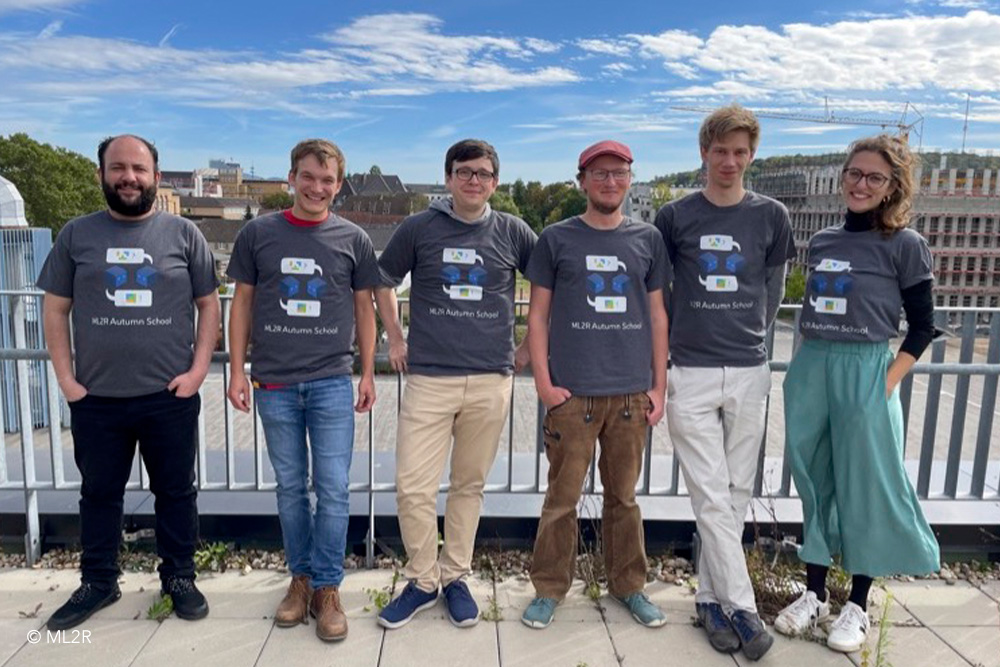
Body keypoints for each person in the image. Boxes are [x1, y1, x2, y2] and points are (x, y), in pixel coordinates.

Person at [39, 134, 220, 630]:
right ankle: (98, 582)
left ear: (156, 177)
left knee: (177, 493)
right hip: (96, 398)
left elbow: (209, 305)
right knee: (99, 494)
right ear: (102, 174)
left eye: (138, 169)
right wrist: (67, 380)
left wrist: (199, 370)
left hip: (169, 395)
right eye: (117, 168)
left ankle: (179, 577)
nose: (128, 178)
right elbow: (54, 309)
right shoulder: (76, 235)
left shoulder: (184, 234)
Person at [774, 134, 940, 653]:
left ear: (893, 187)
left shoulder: (905, 245)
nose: (860, 184)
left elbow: (922, 328)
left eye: (874, 177)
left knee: (865, 484)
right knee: (814, 477)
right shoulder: (822, 240)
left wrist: (885, 384)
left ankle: (858, 605)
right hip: (815, 364)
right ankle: (815, 593)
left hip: (867, 369)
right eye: (854, 174)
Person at [374, 139, 536, 628]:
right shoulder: (419, 227)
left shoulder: (513, 231)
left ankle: (456, 576)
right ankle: (423, 580)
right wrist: (395, 338)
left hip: (490, 379)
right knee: (413, 488)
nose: (473, 181)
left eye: (483, 174)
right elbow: (382, 280)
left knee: (469, 485)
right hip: (429, 378)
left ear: (495, 182)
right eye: (464, 172)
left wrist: (527, 348)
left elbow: (550, 284)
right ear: (448, 179)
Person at [654, 104, 794, 661]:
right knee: (711, 492)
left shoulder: (772, 215)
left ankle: (711, 600)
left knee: (735, 492)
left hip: (748, 369)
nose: (730, 161)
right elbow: (659, 293)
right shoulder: (674, 216)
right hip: (689, 368)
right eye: (721, 151)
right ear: (703, 153)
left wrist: (749, 339)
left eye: (740, 152)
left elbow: (775, 291)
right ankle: (744, 609)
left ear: (751, 156)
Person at [226, 139, 379, 642]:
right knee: (291, 487)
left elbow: (364, 309)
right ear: (291, 178)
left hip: (333, 382)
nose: (317, 187)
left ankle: (328, 589)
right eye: (308, 177)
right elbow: (241, 303)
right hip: (274, 382)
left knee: (333, 489)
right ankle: (301, 579)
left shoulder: (352, 238)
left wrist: (368, 372)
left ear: (339, 184)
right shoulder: (258, 234)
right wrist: (236, 370)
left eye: (328, 180)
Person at [520, 140, 669, 630]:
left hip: (629, 395)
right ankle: (548, 589)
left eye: (619, 173)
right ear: (582, 180)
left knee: (623, 499)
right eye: (600, 173)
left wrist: (658, 387)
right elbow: (537, 316)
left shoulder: (646, 238)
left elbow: (656, 314)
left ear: (630, 178)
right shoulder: (557, 239)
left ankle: (628, 586)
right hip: (572, 395)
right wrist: (544, 382)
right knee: (560, 501)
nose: (610, 182)